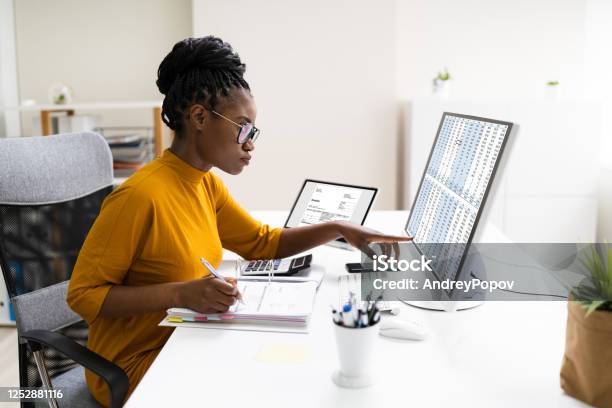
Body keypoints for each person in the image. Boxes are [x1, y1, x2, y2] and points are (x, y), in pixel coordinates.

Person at [67, 36, 411, 406]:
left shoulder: (205, 184)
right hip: (136, 367)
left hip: (187, 341)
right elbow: (83, 296)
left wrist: (340, 229)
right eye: (243, 128)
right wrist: (181, 294)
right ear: (199, 117)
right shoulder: (138, 197)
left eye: (254, 131)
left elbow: (263, 243)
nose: (250, 144)